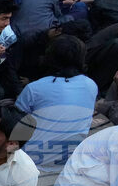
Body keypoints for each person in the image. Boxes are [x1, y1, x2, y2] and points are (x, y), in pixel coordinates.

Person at [16, 35, 98, 174]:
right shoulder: (91, 85)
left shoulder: (35, 88)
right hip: (66, 162)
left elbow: (16, 123)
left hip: (28, 161)